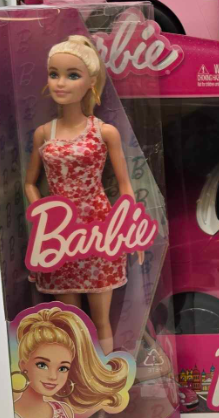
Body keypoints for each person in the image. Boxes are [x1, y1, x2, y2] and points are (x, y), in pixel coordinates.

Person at [24, 36, 139, 355]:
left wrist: (130, 229)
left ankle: (107, 375)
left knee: (101, 320)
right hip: (59, 235)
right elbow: (30, 183)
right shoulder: (44, 133)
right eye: (54, 74)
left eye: (72, 75)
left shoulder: (104, 132)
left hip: (97, 231)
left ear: (91, 81)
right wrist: (42, 218)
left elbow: (125, 185)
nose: (60, 83)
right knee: (68, 321)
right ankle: (75, 378)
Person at [13, 307, 130, 418]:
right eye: (42, 365)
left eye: (63, 368)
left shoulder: (63, 411)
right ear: (23, 365)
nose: (53, 376)